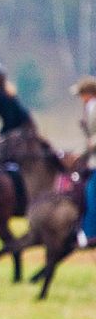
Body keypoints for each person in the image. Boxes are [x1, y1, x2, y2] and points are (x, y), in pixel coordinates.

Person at [71, 76, 96, 248]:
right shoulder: (89, 108)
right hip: (92, 159)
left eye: (81, 94)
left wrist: (86, 150)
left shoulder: (94, 108)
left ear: (88, 94)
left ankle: (90, 235)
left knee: (91, 195)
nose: (80, 98)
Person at [0, 60, 35, 137]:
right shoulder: (6, 94)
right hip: (25, 130)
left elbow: (10, 121)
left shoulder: (0, 97)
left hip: (24, 132)